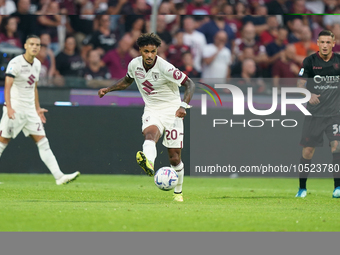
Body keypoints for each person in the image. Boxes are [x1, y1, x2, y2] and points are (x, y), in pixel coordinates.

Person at [98, 33, 195, 202]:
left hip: (172, 111)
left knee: (174, 157)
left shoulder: (165, 67)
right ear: (140, 51)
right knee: (150, 134)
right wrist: (108, 89)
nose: (150, 55)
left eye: (153, 51)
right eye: (146, 51)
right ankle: (148, 161)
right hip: (152, 109)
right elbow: (127, 81)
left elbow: (190, 84)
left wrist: (183, 106)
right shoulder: (134, 65)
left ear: (157, 51)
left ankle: (178, 193)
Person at [0, 35, 80, 185]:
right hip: (16, 109)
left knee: (43, 142)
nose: (35, 47)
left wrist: (37, 108)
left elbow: (34, 87)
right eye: (32, 44)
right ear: (25, 46)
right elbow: (7, 85)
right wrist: (9, 107)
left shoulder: (37, 64)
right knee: (2, 141)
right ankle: (59, 176)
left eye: (37, 45)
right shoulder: (15, 63)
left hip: (30, 110)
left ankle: (59, 177)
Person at [296, 30, 340, 198]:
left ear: (333, 44)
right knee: (308, 151)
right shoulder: (309, 61)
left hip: (334, 114)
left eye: (328, 42)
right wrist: (309, 95)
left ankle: (337, 188)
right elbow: (300, 86)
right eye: (322, 42)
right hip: (314, 114)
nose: (325, 45)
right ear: (318, 43)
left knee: (336, 147)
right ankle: (302, 188)